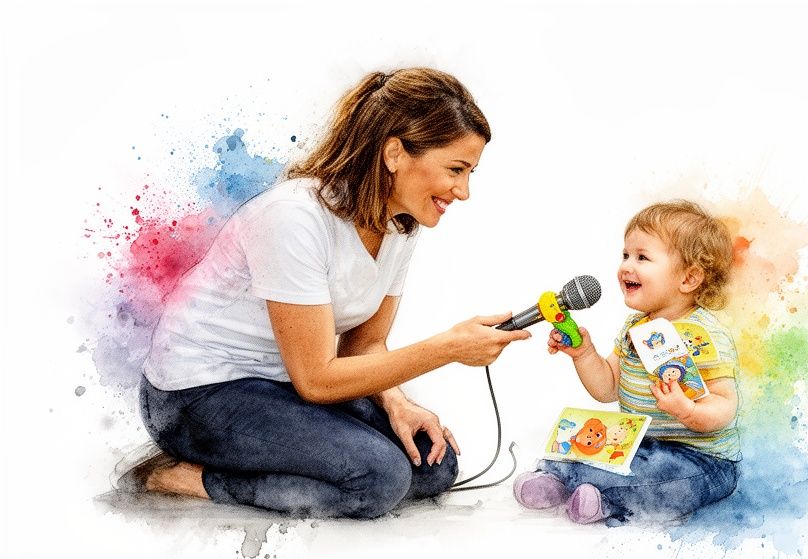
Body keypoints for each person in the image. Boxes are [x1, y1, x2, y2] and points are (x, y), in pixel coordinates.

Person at [117, 67, 531, 519]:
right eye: (456, 169)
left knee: (433, 465)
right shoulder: (294, 218)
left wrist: (397, 402)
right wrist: (448, 348)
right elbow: (317, 380)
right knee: (378, 480)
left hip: (280, 384)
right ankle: (184, 476)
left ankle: (267, 457)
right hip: (195, 395)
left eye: (469, 172)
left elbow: (364, 344)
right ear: (395, 153)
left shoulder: (401, 225)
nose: (464, 191)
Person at [512, 199, 740, 525]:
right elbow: (607, 389)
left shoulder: (704, 336)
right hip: (643, 444)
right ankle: (558, 477)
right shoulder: (635, 327)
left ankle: (606, 499)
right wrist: (585, 354)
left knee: (667, 481)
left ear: (689, 278)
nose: (626, 267)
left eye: (642, 257)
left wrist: (688, 411)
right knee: (590, 448)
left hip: (701, 461)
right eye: (625, 255)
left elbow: (725, 406)